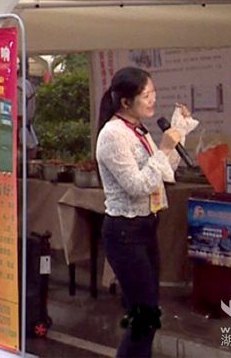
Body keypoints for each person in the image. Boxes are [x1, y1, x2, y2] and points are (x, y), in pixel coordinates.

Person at [96, 67, 188, 358]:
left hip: (146, 227)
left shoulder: (138, 129)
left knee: (148, 313)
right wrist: (164, 149)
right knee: (143, 316)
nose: (153, 100)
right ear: (126, 102)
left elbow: (164, 173)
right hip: (125, 231)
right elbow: (137, 186)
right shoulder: (112, 135)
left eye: (153, 93)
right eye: (146, 95)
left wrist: (179, 131)